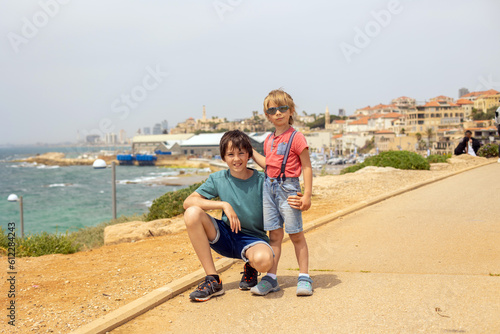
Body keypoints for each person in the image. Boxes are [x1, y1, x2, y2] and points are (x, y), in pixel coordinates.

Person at [183, 130, 274, 302]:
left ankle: (251, 266)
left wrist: (251, 149)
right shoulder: (218, 179)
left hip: (253, 239)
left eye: (241, 153)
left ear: (249, 154)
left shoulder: (262, 180)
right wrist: (223, 204)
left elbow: (276, 170)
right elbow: (188, 202)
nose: (236, 159)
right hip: (225, 235)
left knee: (264, 261)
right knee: (192, 213)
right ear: (223, 158)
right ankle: (213, 280)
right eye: (230, 154)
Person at [251, 89, 314, 296]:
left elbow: (306, 167)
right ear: (267, 115)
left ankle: (304, 277)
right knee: (274, 235)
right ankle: (271, 278)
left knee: (296, 234)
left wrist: (306, 196)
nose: (277, 113)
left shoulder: (297, 137)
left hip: (289, 189)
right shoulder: (269, 139)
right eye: (272, 110)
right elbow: (267, 164)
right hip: (269, 189)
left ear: (291, 111)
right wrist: (251, 151)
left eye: (282, 108)